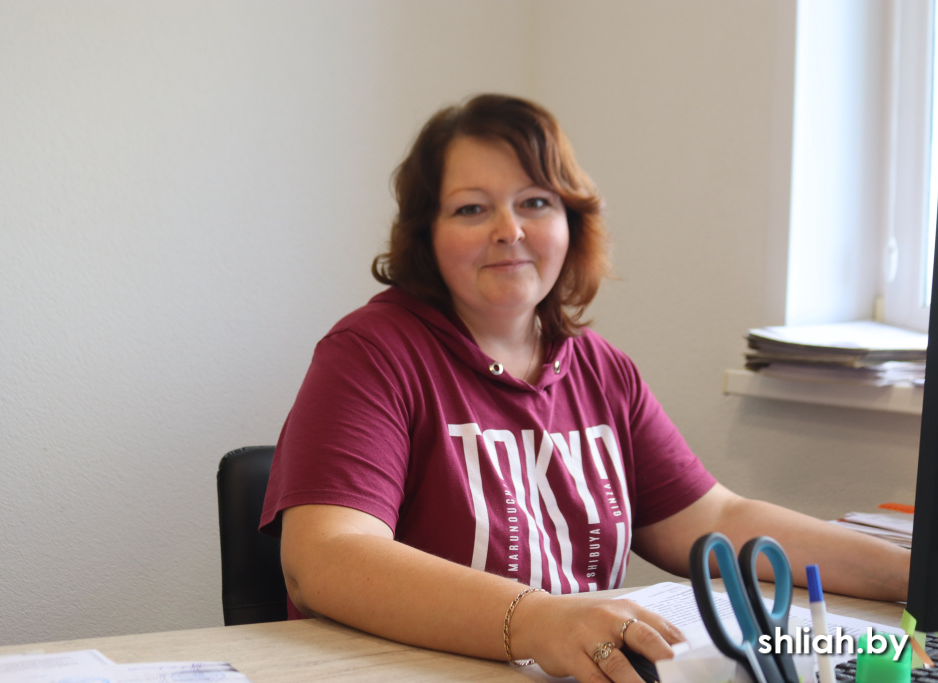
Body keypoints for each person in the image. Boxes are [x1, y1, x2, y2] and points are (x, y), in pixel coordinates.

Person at [259, 93, 909, 682]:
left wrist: (910, 575)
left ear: (571, 223)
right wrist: (535, 619)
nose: (509, 229)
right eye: (471, 208)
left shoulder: (601, 369)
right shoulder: (372, 354)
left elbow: (713, 519)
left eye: (535, 202)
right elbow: (324, 558)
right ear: (426, 236)